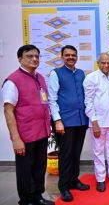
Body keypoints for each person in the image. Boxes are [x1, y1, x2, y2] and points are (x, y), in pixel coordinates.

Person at [2, 45, 54, 205]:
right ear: (20, 59)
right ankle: (26, 200)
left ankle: (38, 196)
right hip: (25, 135)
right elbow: (8, 111)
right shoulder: (13, 81)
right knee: (25, 170)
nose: (34, 59)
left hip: (41, 132)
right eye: (29, 56)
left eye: (37, 56)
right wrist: (16, 139)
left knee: (39, 167)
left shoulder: (40, 78)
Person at [48, 45, 90, 202]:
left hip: (80, 120)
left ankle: (74, 180)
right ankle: (64, 186)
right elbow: (52, 99)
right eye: (67, 55)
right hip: (64, 122)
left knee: (76, 152)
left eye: (73, 55)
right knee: (66, 155)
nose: (71, 57)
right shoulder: (56, 73)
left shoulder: (80, 74)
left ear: (77, 57)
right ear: (62, 57)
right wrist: (57, 120)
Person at [83, 53, 109, 192]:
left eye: (108, 63)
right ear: (98, 63)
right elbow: (88, 102)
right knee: (98, 152)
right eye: (103, 63)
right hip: (98, 123)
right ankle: (100, 179)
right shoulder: (91, 78)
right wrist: (94, 123)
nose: (106, 65)